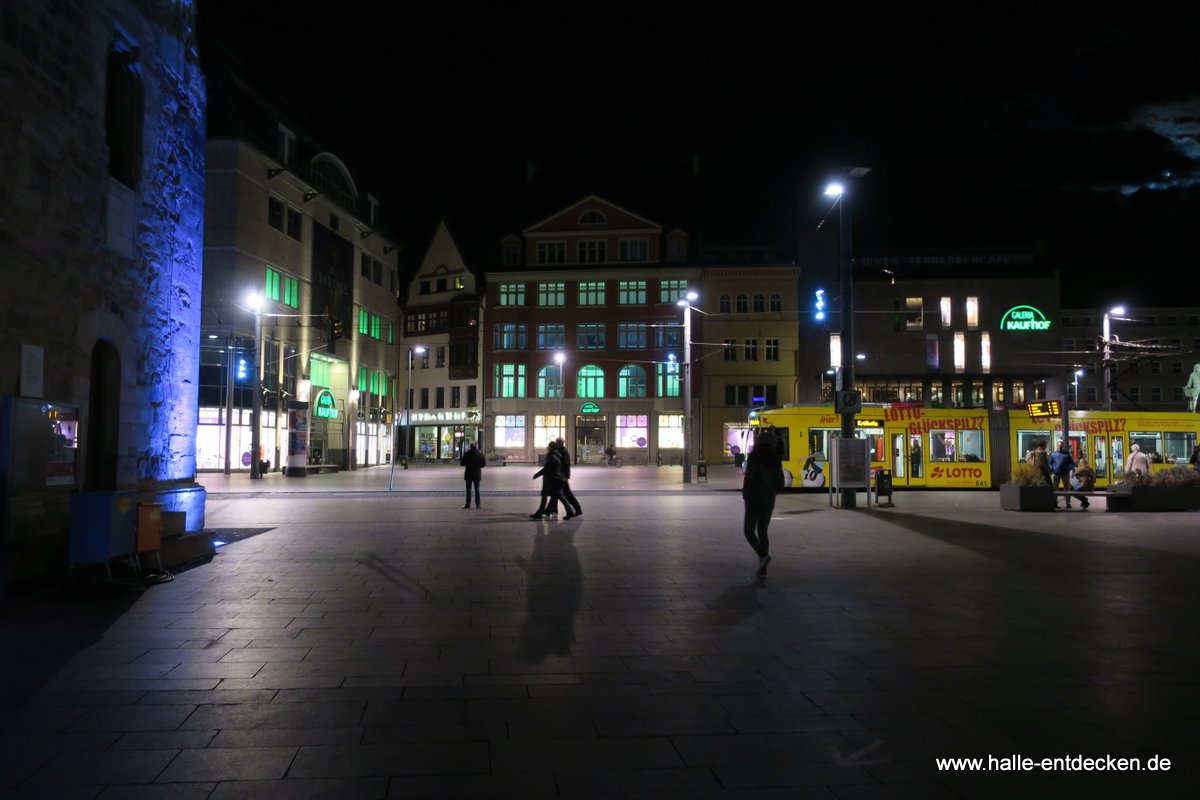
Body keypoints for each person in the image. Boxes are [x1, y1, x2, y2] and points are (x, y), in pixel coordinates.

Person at [742, 429, 784, 580]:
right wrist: (772, 491)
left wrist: (746, 494)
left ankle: (763, 556)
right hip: (769, 500)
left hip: (754, 499)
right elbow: (781, 483)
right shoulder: (776, 459)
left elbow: (750, 478)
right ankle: (763, 569)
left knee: (748, 531)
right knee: (762, 531)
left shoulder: (754, 457)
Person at [530, 442, 574, 519]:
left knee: (547, 496)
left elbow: (546, 469)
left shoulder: (551, 456)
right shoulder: (557, 455)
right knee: (558, 496)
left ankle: (540, 513)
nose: (548, 448)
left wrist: (537, 475)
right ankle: (569, 511)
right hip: (555, 478)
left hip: (551, 480)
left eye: (549, 446)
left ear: (551, 447)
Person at [546, 438, 583, 518]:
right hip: (561, 476)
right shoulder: (560, 450)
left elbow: (565, 464)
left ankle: (577, 509)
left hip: (562, 476)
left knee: (566, 494)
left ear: (560, 443)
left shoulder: (563, 451)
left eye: (557, 442)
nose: (556, 443)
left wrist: (564, 475)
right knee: (556, 493)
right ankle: (551, 509)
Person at [1048, 440, 1076, 507]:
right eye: (1058, 445)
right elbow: (1050, 464)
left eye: (1061, 445)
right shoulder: (1053, 454)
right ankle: (1055, 502)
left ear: (1063, 446)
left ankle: (1068, 503)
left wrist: (1068, 469)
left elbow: (1072, 463)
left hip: (1065, 473)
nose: (1059, 447)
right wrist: (1053, 469)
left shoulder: (1067, 454)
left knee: (1067, 488)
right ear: (1056, 446)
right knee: (1055, 488)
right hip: (1056, 473)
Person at [459, 441, 486, 509]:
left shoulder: (467, 454)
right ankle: (478, 504)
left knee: (468, 489)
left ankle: (468, 504)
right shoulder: (480, 454)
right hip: (477, 474)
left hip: (468, 474)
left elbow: (462, 463)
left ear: (470, 447)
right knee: (477, 489)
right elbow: (483, 464)